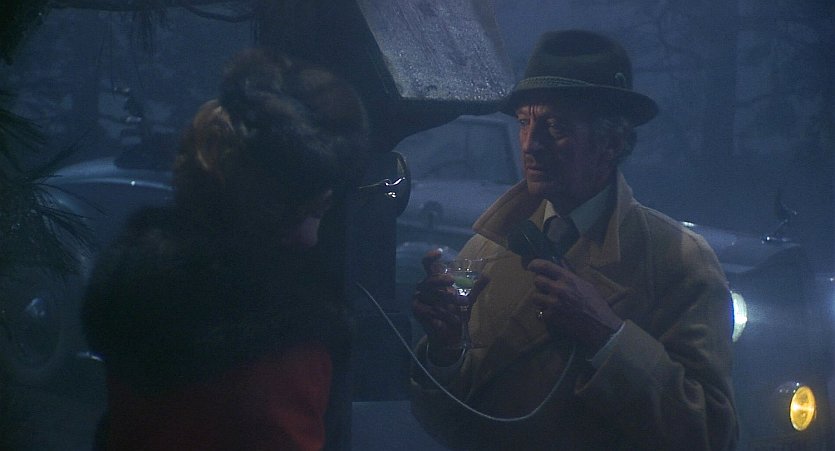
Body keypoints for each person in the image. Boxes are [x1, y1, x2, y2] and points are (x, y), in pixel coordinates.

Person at [410, 30, 738, 450]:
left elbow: (712, 435)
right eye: (524, 123)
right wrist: (445, 350)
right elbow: (444, 424)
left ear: (612, 142)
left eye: (555, 126)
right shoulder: (484, 251)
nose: (531, 145)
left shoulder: (679, 261)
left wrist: (607, 337)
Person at [82, 48, 368, 450]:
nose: (312, 238)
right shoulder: (285, 347)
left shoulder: (137, 293)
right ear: (269, 208)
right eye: (313, 213)